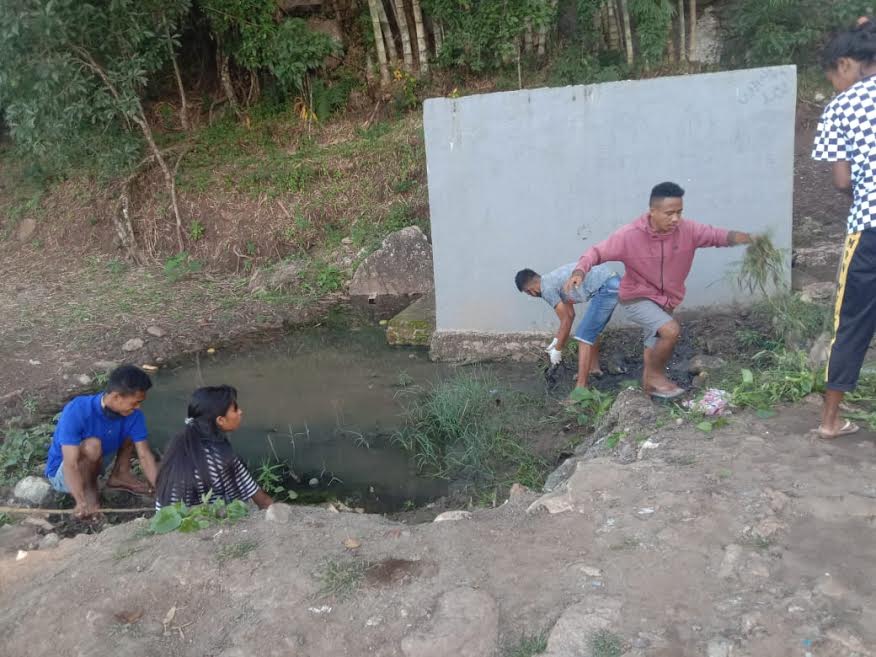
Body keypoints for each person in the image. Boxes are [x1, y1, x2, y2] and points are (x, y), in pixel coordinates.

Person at [564, 182, 752, 399]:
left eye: (679, 213)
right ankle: (655, 377)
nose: (675, 219)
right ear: (652, 211)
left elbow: (718, 236)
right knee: (670, 331)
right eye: (669, 213)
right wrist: (579, 271)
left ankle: (646, 398)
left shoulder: (688, 230)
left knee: (651, 347)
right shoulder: (629, 235)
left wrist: (749, 238)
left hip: (666, 301)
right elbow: (596, 252)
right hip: (636, 297)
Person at [810, 18, 876, 438]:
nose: (835, 84)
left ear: (847, 65)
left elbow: (841, 181)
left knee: (851, 322)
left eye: (833, 75)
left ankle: (830, 421)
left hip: (867, 229)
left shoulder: (841, 107)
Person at [45, 364, 158, 519]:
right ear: (116, 397)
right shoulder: (78, 410)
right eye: (135, 402)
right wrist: (80, 501)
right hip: (64, 474)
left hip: (96, 461)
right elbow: (70, 464)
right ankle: (89, 496)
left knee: (135, 432)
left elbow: (144, 454)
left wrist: (160, 489)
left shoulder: (133, 414)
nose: (138, 407)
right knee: (93, 445)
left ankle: (120, 475)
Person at [154, 385, 273, 510]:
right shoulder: (220, 457)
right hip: (198, 522)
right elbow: (263, 501)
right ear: (220, 420)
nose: (240, 412)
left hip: (169, 517)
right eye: (235, 409)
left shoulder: (177, 445)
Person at [515, 263, 620, 391]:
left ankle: (581, 389)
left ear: (529, 290)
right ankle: (594, 368)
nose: (531, 296)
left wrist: (558, 350)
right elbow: (569, 315)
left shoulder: (546, 289)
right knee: (592, 330)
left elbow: (565, 320)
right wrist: (556, 341)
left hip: (607, 286)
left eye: (528, 294)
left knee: (583, 335)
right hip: (612, 281)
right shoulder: (552, 281)